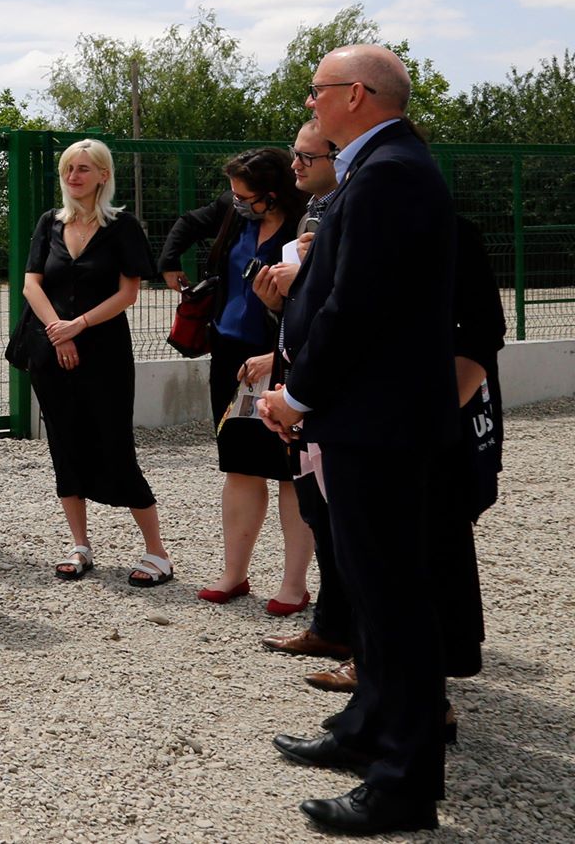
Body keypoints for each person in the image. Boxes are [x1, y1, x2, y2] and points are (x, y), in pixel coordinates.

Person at [257, 45, 457, 835]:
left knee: (395, 598)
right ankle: (368, 727)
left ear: (356, 94)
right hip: (370, 417)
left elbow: (358, 304)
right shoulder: (379, 167)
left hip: (379, 421)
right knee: (374, 592)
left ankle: (404, 783)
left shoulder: (389, 173)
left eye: (317, 91)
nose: (309, 103)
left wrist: (297, 394)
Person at [158, 148, 312, 611]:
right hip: (229, 355)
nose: (237, 203)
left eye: (247, 197)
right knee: (240, 466)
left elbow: (320, 305)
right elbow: (188, 223)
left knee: (291, 472)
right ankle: (234, 574)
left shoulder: (308, 227)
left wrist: (277, 355)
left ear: (274, 194)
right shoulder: (233, 210)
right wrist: (169, 261)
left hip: (283, 358)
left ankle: (293, 585)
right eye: (234, 195)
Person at [21, 139, 172, 588]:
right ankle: (80, 545)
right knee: (64, 445)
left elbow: (128, 293)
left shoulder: (123, 226)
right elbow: (31, 284)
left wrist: (78, 326)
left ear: (104, 175)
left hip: (104, 353)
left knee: (114, 445)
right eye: (68, 168)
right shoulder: (50, 222)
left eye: (84, 168)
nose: (74, 176)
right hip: (51, 351)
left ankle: (157, 553)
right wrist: (59, 330)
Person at [253, 122, 355, 673]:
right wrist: (278, 305)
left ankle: (373, 650)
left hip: (341, 399)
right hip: (305, 392)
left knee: (353, 526)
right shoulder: (313, 214)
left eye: (306, 157)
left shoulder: (357, 211)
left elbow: (350, 312)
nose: (294, 165)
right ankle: (332, 628)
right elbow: (307, 313)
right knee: (319, 514)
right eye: (295, 155)